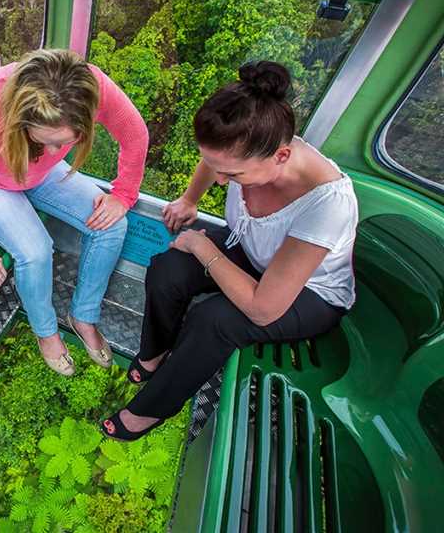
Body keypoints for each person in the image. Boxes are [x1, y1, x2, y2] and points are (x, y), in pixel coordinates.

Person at [101, 61, 358, 440]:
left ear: (282, 157)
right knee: (168, 269)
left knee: (214, 320)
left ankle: (152, 410)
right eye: (216, 168)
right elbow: (215, 161)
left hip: (307, 294)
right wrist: (190, 199)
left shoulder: (327, 204)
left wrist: (203, 246)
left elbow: (263, 307)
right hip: (253, 252)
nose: (221, 181)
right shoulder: (248, 150)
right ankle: (154, 353)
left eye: (233, 176)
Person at [0, 49, 149, 375]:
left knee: (112, 226)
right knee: (37, 251)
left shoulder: (92, 86)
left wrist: (123, 194)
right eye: (47, 140)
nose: (57, 150)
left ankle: (83, 315)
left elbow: (135, 133)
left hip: (42, 174)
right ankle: (46, 332)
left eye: (66, 141)